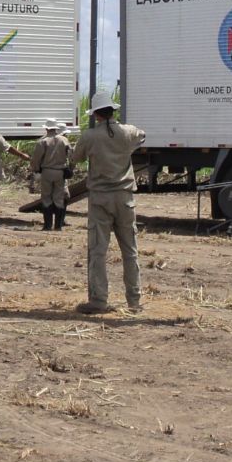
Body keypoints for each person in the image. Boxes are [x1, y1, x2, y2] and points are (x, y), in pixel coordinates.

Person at [69, 99, 146, 313]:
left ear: (96, 115)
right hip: (125, 197)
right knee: (130, 251)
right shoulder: (128, 131)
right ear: (112, 112)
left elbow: (77, 157)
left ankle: (99, 300)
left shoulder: (90, 136)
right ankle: (134, 300)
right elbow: (142, 136)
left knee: (98, 251)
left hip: (100, 197)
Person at [30, 118, 72, 231]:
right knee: (59, 198)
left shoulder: (42, 141)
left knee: (46, 198)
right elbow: (71, 155)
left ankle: (47, 225)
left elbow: (36, 159)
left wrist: (35, 169)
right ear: (56, 128)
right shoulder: (64, 140)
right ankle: (58, 226)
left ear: (46, 128)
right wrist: (69, 169)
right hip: (60, 172)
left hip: (47, 172)